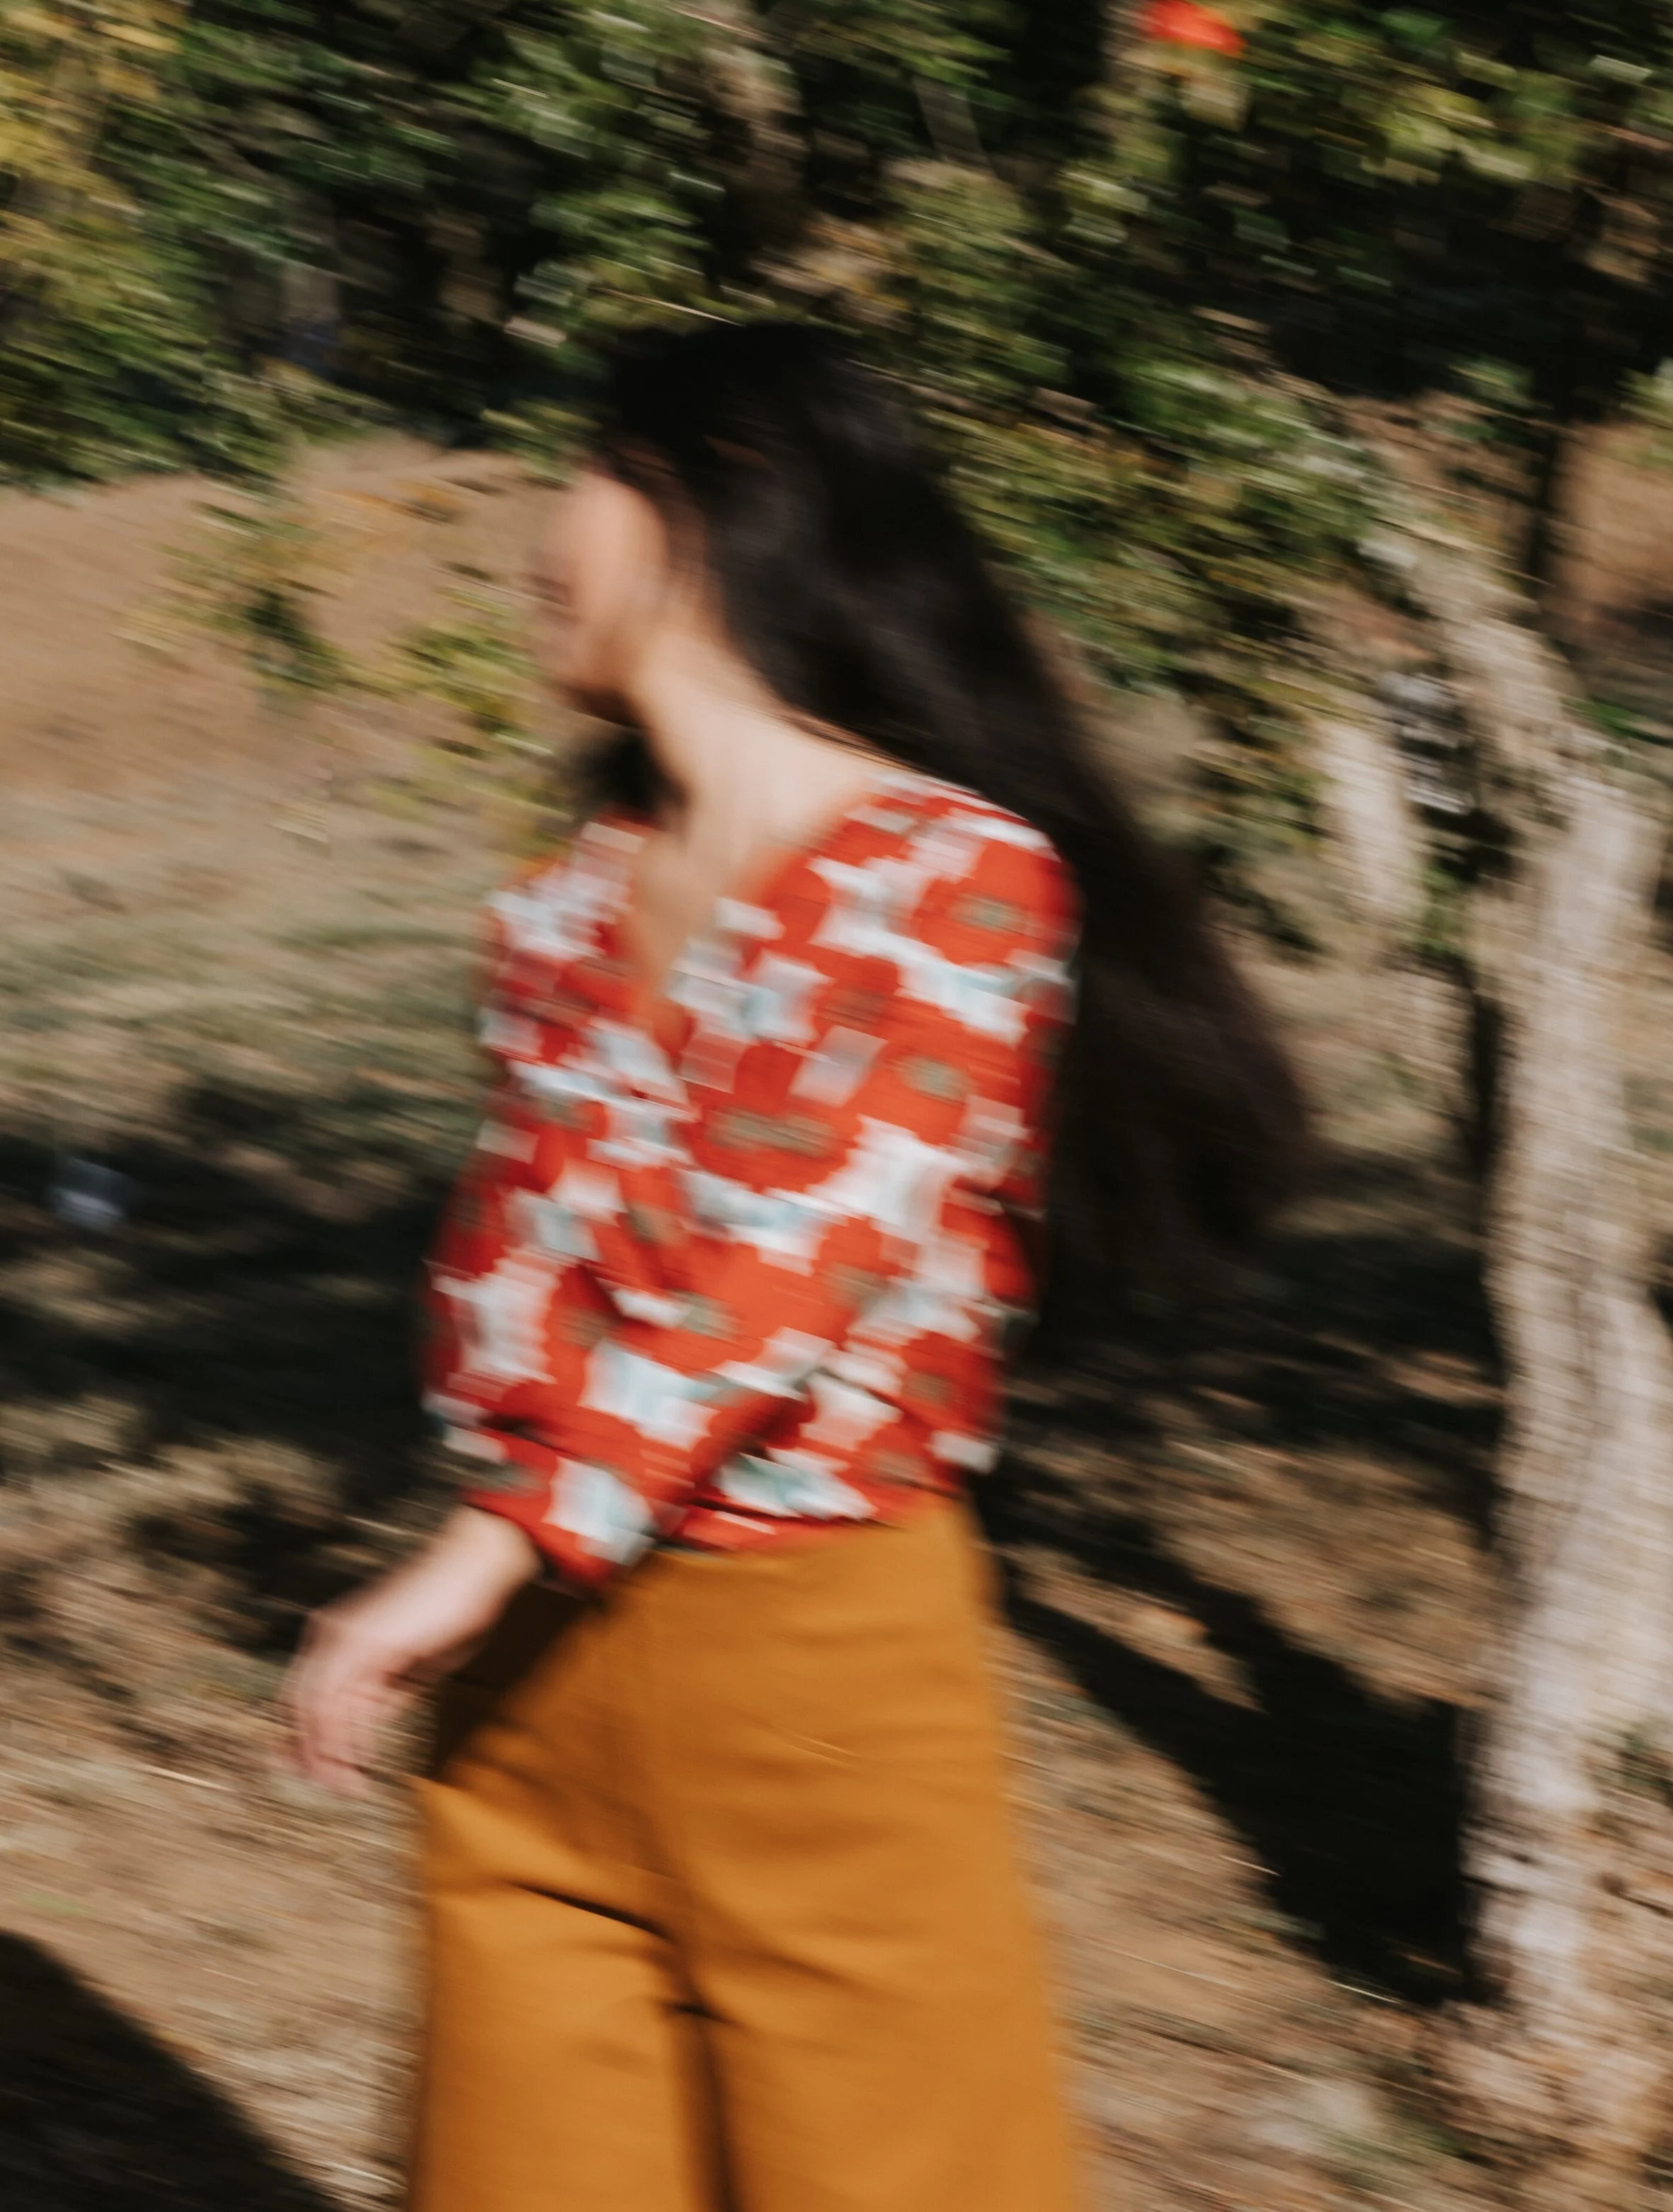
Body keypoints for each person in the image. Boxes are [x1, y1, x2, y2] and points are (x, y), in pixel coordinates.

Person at [285, 319, 1305, 2212]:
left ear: (710, 500)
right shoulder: (569, 898)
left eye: (582, 477)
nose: (536, 539)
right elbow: (536, 1276)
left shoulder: (952, 876)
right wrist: (492, 1560)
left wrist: (465, 1552)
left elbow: (773, 1279)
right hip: (528, 1693)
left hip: (813, 1676)